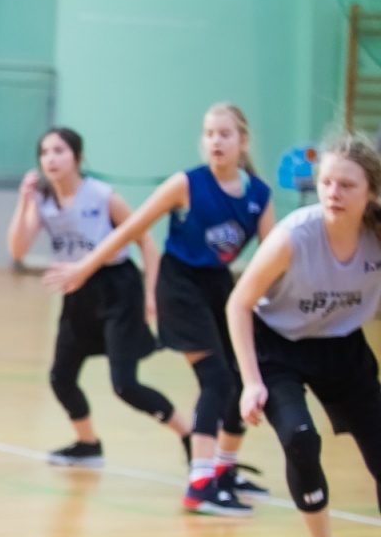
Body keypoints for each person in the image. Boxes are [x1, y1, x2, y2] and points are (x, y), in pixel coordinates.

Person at [45, 103, 273, 515]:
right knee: (216, 379)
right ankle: (201, 482)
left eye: (224, 134)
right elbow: (132, 232)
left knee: (241, 380)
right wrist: (84, 266)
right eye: (208, 134)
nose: (215, 142)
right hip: (179, 284)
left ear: (243, 141)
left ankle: (224, 471)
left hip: (221, 287)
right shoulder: (185, 183)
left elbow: (274, 259)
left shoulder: (259, 195)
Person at [228, 135, 381, 537]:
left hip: (342, 347)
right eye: (326, 182)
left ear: (371, 191)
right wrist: (252, 380)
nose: (333, 192)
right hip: (279, 348)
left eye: (346, 185)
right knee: (300, 439)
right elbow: (239, 302)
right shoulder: (295, 235)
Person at [7, 127, 190, 466]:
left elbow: (146, 241)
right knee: (60, 377)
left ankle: (189, 433)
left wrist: (153, 295)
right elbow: (18, 249)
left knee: (125, 386)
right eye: (45, 152)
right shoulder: (43, 201)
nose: (51, 158)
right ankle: (88, 444)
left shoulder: (103, 196)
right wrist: (23, 203)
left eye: (59, 151)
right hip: (77, 292)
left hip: (118, 288)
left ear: (77, 157)